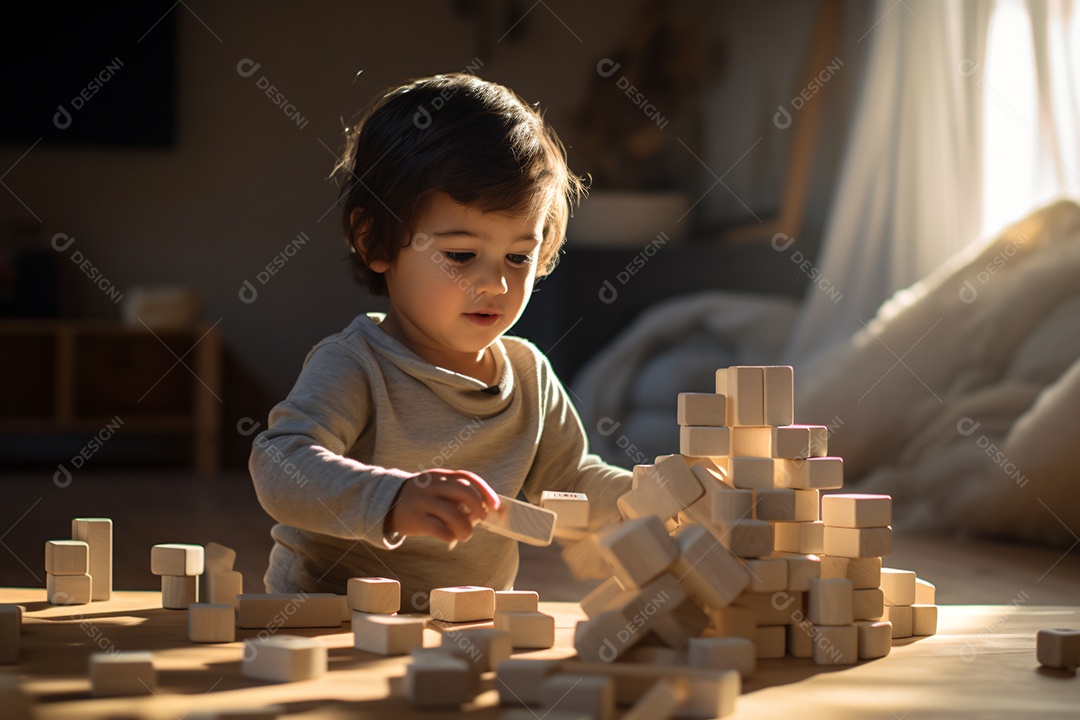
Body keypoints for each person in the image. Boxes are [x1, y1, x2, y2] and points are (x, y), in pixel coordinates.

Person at [249, 73, 632, 611]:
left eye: (518, 257)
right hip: (327, 618)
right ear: (374, 241)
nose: (495, 284)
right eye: (459, 255)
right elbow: (280, 465)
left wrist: (657, 499)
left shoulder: (527, 373)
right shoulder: (356, 364)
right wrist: (392, 498)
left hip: (464, 626)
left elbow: (570, 484)